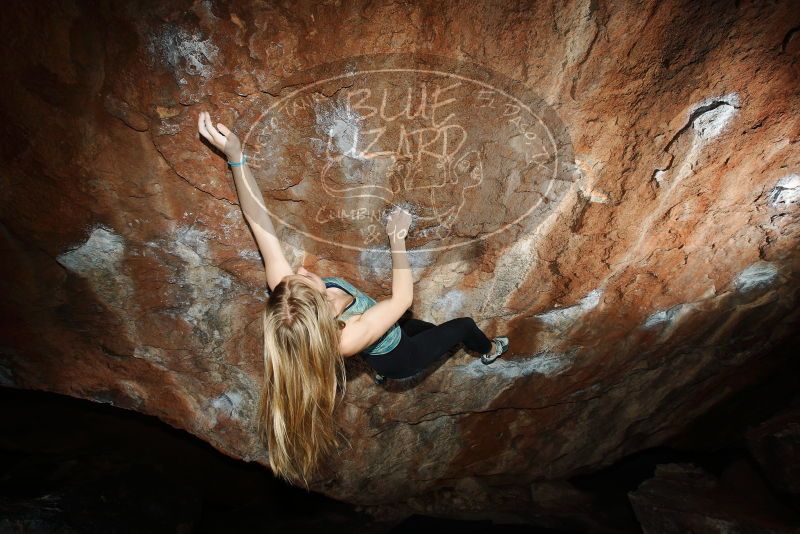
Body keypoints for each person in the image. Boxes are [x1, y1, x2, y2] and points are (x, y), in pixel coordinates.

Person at [197, 111, 509, 488]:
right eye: (307, 280)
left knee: (423, 330)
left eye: (294, 277)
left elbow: (257, 220)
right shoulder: (349, 335)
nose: (301, 270)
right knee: (461, 328)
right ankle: (489, 349)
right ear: (324, 312)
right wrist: (397, 238)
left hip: (387, 330)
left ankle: (396, 354)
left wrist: (236, 156)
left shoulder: (291, 295)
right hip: (398, 358)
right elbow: (402, 297)